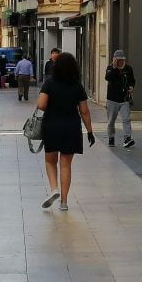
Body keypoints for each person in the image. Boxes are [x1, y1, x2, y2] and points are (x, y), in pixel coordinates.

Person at [37, 52, 95, 212]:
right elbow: (84, 111)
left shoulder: (49, 83)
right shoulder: (77, 86)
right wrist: (90, 131)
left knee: (50, 161)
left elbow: (41, 105)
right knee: (66, 165)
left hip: (52, 126)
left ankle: (54, 189)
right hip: (71, 127)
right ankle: (64, 202)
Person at [105, 49, 137, 148]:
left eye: (122, 59)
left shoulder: (128, 69)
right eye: (119, 60)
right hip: (112, 99)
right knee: (111, 120)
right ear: (115, 60)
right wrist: (114, 67)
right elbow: (108, 78)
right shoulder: (110, 68)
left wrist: (131, 86)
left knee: (126, 119)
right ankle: (111, 137)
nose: (121, 61)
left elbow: (132, 80)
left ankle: (127, 138)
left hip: (124, 99)